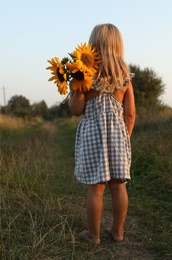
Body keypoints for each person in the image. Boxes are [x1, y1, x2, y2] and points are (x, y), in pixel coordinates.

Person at [68, 23, 136, 245]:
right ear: (119, 46)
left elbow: (76, 110)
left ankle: (93, 235)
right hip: (118, 134)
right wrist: (125, 137)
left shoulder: (84, 75)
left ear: (92, 46)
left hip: (92, 134)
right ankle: (117, 232)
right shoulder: (125, 76)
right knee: (119, 185)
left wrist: (77, 89)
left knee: (95, 187)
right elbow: (131, 114)